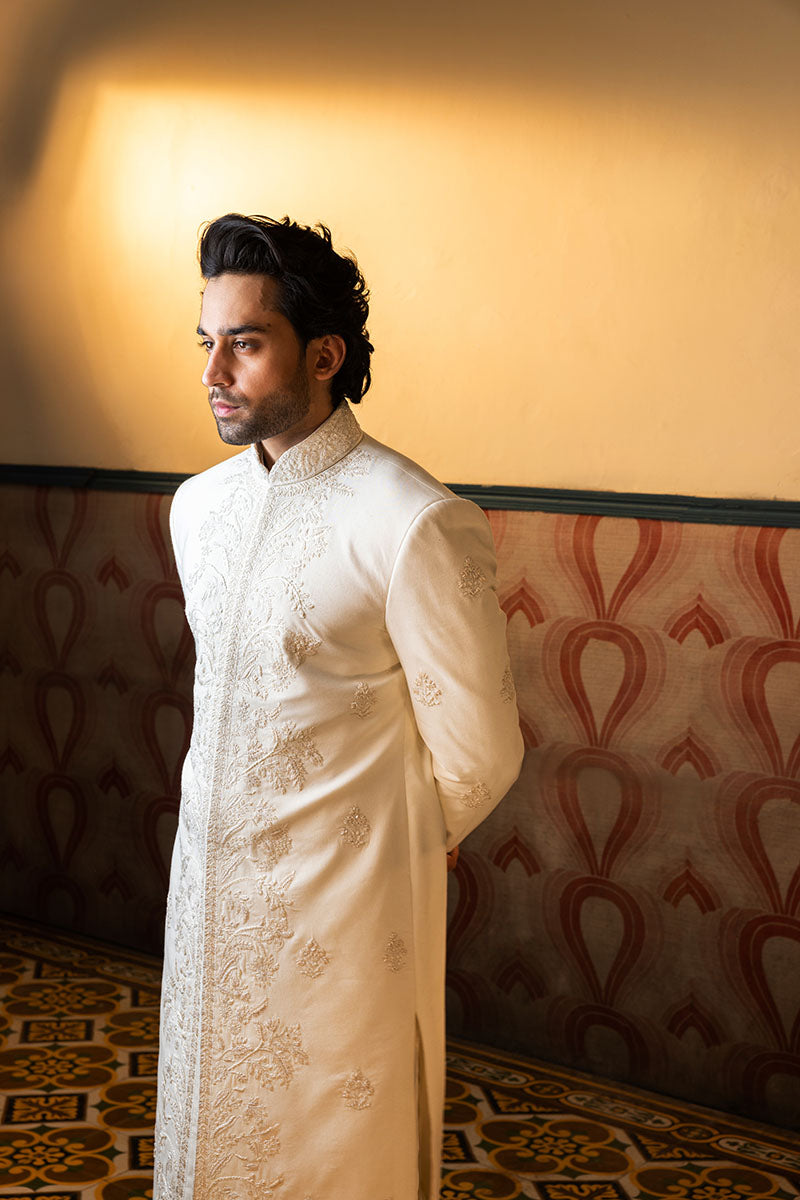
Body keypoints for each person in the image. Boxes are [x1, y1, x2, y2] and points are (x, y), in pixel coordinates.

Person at [154, 213, 524, 1200]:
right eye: (207, 342)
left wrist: (402, 837)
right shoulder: (198, 509)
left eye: (244, 343)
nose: (213, 372)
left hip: (346, 902)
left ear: (324, 355)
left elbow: (481, 748)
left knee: (331, 1136)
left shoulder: (412, 519)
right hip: (205, 880)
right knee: (206, 1116)